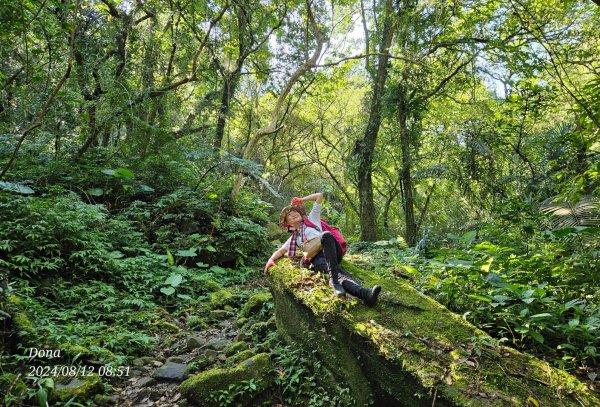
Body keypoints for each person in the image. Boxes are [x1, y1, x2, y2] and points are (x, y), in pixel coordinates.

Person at [264, 192, 381, 306]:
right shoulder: (294, 239)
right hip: (318, 259)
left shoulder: (312, 220)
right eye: (289, 215)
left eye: (295, 211)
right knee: (339, 274)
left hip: (333, 250)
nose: (293, 214)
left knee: (326, 235)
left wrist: (301, 200)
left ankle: (333, 281)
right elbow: (280, 251)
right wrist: (270, 260)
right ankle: (366, 294)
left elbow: (319, 196)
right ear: (288, 223)